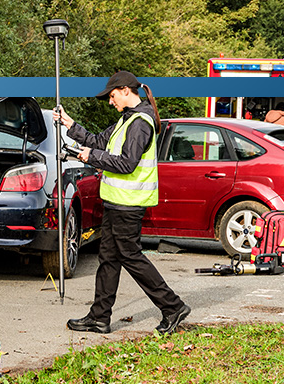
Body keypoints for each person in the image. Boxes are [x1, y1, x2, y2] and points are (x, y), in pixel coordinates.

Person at [53, 70, 190, 335]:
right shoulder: (127, 119)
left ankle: (173, 307)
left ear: (126, 91)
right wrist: (71, 126)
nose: (110, 101)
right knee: (108, 259)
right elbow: (99, 141)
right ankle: (99, 317)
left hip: (129, 204)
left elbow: (127, 164)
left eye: (112, 95)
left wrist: (90, 157)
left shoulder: (140, 122)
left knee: (131, 257)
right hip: (117, 202)